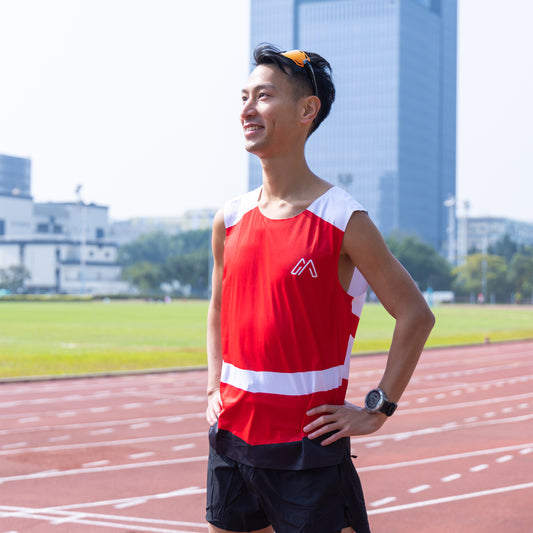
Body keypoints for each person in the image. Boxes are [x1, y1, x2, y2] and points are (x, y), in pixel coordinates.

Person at [205, 43, 435, 533]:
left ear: (307, 110)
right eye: (243, 96)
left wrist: (378, 407)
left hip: (308, 452)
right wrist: (212, 386)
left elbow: (416, 314)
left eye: (263, 96)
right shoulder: (230, 217)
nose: (246, 109)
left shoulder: (342, 219)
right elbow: (218, 309)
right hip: (230, 443)